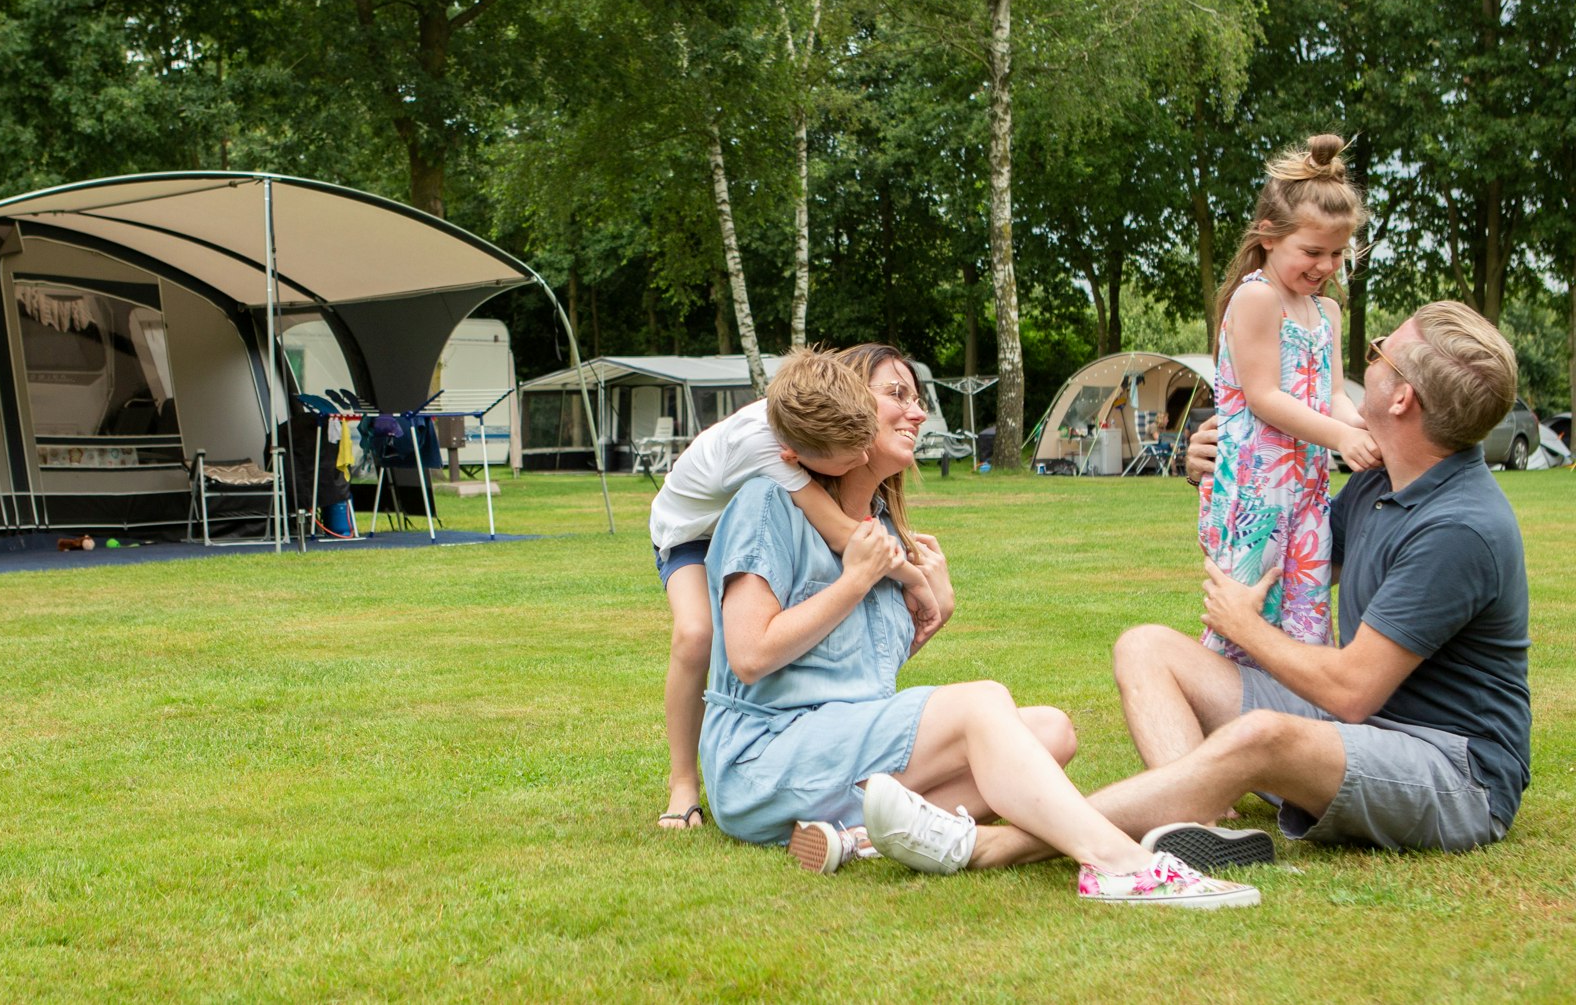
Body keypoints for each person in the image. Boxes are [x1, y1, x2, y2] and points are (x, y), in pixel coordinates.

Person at [968, 301, 1528, 872]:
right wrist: (1213, 476)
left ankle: (1005, 844)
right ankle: (1197, 828)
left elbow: (1352, 690)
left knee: (1261, 737)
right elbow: (1276, 556)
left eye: (1379, 351)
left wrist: (1245, 628)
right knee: (1146, 647)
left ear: (1403, 397)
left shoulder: (1459, 527)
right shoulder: (1380, 482)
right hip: (1361, 733)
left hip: (1454, 773)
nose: (1368, 357)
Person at [699, 344, 1259, 907]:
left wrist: (933, 615)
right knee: (980, 706)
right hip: (762, 760)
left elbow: (848, 673)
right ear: (845, 405)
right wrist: (854, 582)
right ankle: (1119, 862)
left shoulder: (886, 531)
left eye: (917, 399)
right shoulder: (769, 501)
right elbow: (750, 655)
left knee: (1051, 731)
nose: (917, 413)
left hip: (832, 749)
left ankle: (858, 840)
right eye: (897, 395)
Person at [650, 348, 937, 831]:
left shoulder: (806, 431)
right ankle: (682, 783)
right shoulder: (770, 454)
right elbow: (839, 533)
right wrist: (915, 578)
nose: (864, 456)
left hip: (726, 513)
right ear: (795, 458)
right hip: (685, 532)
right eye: (855, 456)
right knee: (696, 634)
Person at [1198, 133, 1381, 666]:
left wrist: (1366, 428)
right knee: (1247, 611)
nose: (1325, 265)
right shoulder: (1256, 297)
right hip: (1256, 490)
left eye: (1337, 253)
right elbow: (1264, 397)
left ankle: (1297, 721)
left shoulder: (1328, 313)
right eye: (1312, 251)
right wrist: (1342, 437)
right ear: (1268, 236)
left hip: (1309, 491)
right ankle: (1215, 712)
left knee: (1307, 614)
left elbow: (1334, 398)